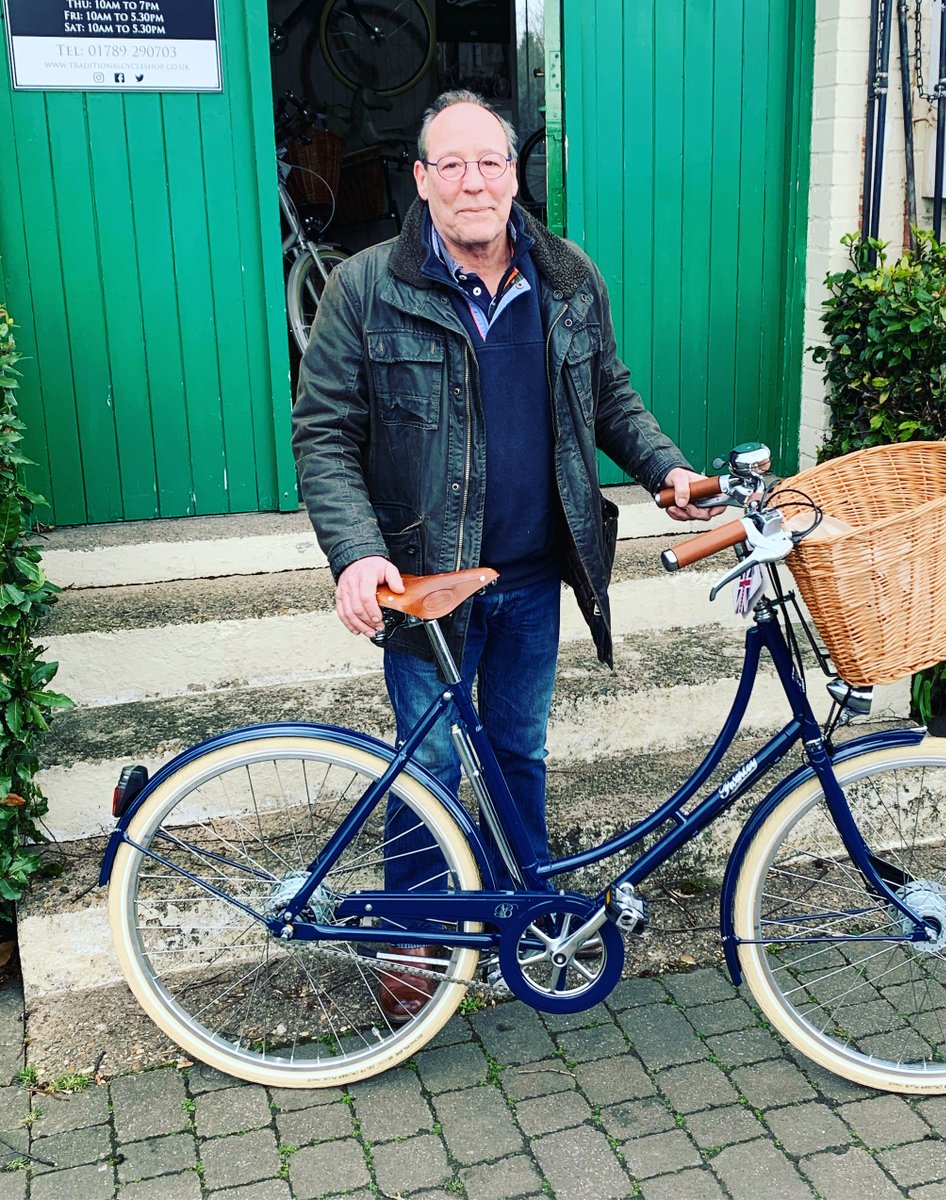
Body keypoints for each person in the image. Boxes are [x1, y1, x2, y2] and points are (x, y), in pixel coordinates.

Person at [292, 90, 716, 1020]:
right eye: (451, 165)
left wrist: (669, 471)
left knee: (518, 749)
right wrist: (357, 555)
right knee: (429, 762)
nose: (473, 181)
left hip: (531, 574)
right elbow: (324, 434)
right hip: (426, 581)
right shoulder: (366, 287)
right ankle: (410, 932)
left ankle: (528, 909)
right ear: (422, 180)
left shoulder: (567, 276)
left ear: (513, 174)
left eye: (489, 162)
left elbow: (610, 396)